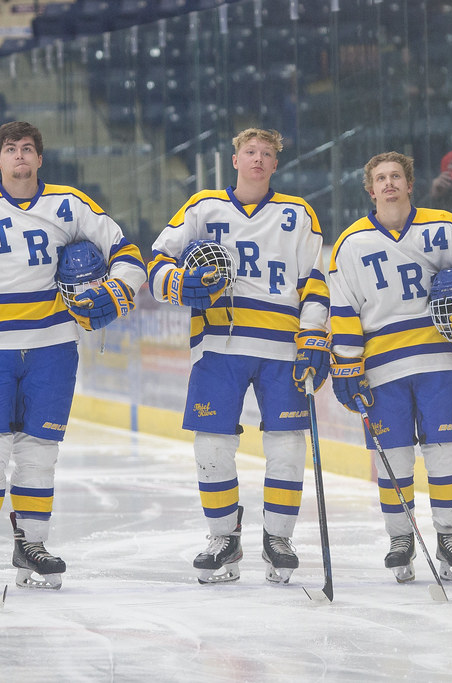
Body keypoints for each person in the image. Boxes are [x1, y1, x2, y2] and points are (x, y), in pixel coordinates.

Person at [0, 121, 146, 591]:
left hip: (52, 348)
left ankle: (32, 545)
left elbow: (126, 250)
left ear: (40, 159)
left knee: (39, 454)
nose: (20, 156)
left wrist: (119, 289)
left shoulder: (70, 204)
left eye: (28, 149)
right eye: (11, 149)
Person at [148, 128, 330, 585]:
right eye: (250, 152)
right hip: (218, 344)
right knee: (211, 446)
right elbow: (157, 260)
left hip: (281, 347)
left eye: (267, 154)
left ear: (275, 165)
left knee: (287, 446)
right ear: (234, 159)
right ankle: (222, 538)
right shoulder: (203, 207)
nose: (258, 159)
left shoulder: (297, 213)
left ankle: (278, 540)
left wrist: (312, 334)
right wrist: (177, 283)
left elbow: (314, 281)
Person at [327, 151, 452, 584]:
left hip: (439, 359)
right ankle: (400, 539)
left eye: (396, 176)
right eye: (380, 178)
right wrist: (347, 368)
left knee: (445, 452)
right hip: (382, 368)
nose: (388, 183)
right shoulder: (351, 243)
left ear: (410, 184)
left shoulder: (446, 227)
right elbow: (344, 310)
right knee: (393, 457)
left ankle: (451, 537)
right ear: (370, 190)